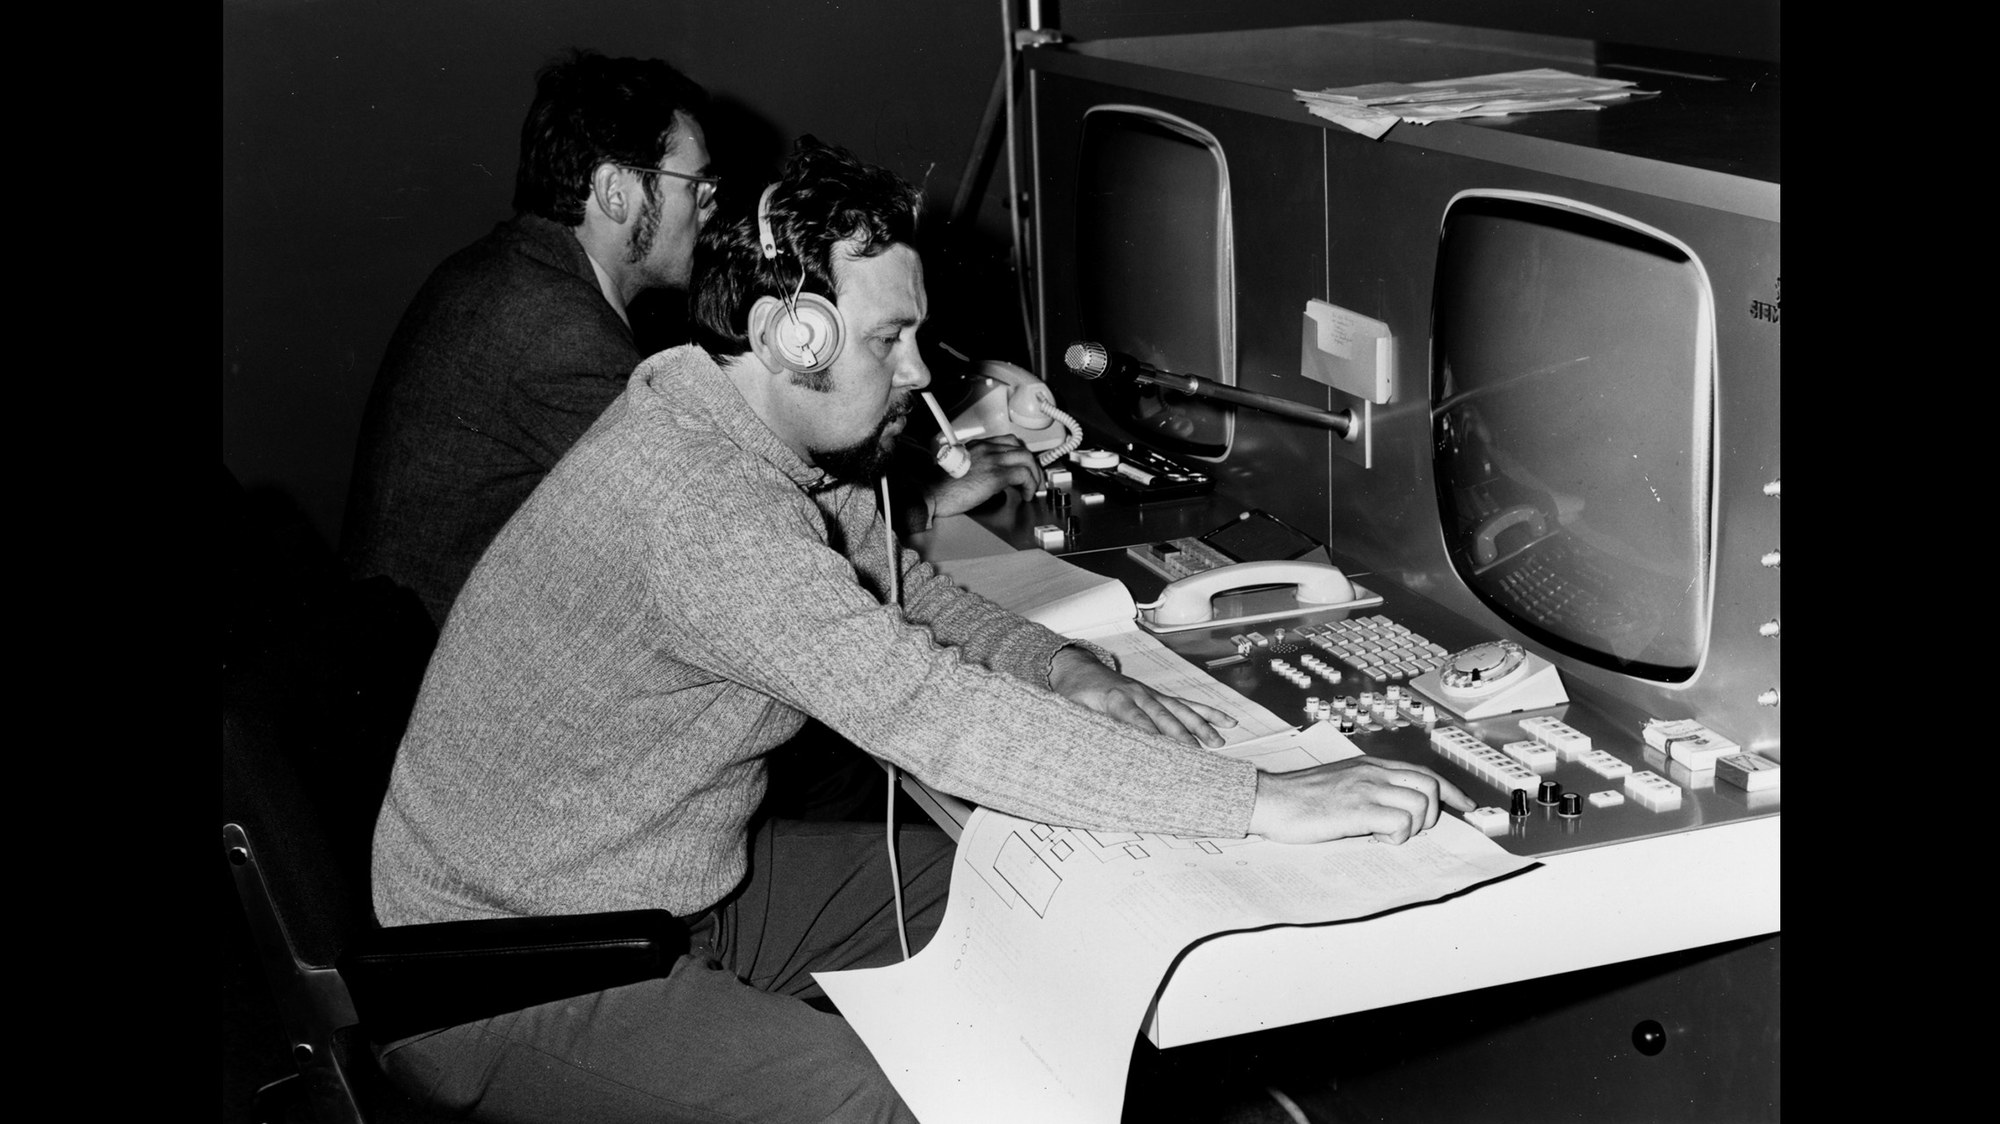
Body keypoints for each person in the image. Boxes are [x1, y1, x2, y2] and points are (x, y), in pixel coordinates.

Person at [368, 137, 1472, 1123]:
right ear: (791, 334)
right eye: (890, 337)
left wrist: (1065, 670)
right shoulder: (702, 508)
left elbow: (898, 585)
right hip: (518, 967)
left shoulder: (727, 420)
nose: (913, 372)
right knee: (912, 1102)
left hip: (643, 885)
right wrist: (1264, 802)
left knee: (1000, 892)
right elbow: (933, 715)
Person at [341, 50, 1041, 630]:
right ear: (617, 192)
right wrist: (926, 497)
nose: (711, 206)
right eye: (696, 185)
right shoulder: (553, 329)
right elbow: (738, 515)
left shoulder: (519, 276)